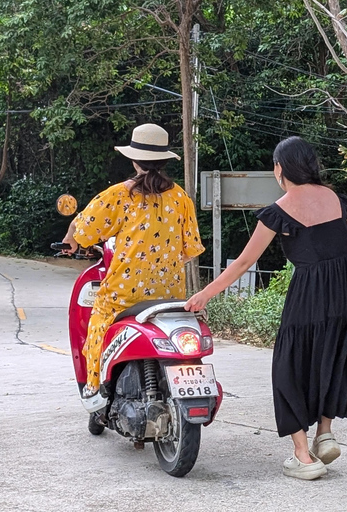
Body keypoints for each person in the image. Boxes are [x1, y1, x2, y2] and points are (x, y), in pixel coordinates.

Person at [184, 136, 347, 481]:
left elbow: (243, 263)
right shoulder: (333, 198)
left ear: (280, 168)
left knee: (288, 367)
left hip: (310, 294)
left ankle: (303, 455)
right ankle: (324, 432)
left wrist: (205, 293)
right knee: (333, 357)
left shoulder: (280, 209)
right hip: (346, 290)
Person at [62, 123, 204, 407]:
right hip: (169, 292)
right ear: (164, 159)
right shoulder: (180, 198)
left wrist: (71, 241)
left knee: (98, 322)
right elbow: (190, 249)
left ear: (133, 159)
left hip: (124, 294)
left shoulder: (119, 194)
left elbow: (85, 228)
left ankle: (96, 388)